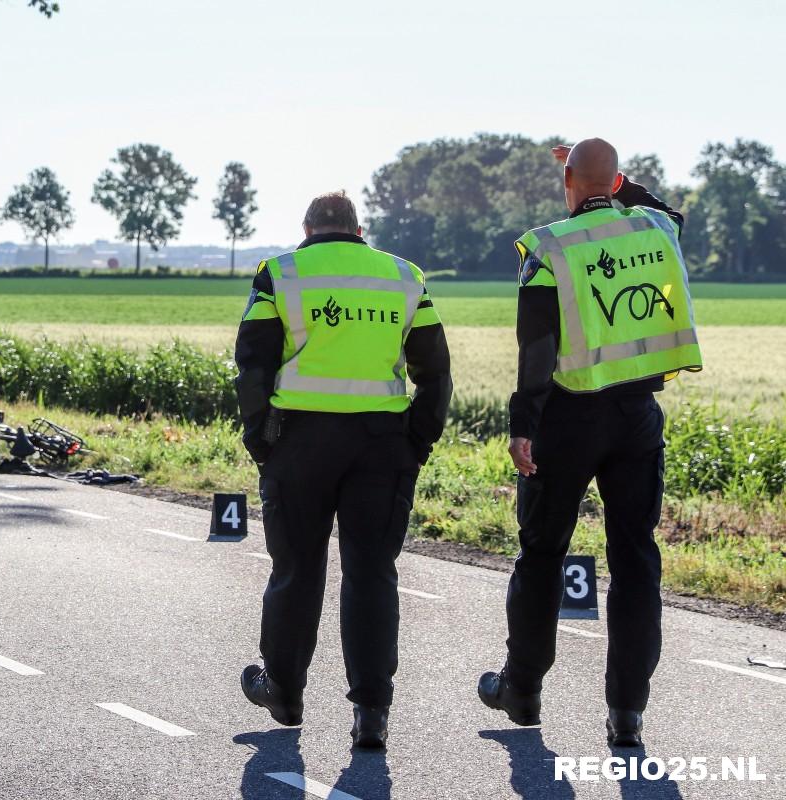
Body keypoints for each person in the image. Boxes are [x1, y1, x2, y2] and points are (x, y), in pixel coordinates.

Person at [477, 139, 702, 747]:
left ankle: (521, 690)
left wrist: (523, 422)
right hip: (637, 416)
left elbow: (537, 345)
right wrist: (619, 186)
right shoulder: (656, 228)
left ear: (567, 180)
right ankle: (627, 711)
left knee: (543, 553)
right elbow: (666, 209)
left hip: (568, 417)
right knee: (635, 561)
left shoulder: (549, 246)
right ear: (621, 181)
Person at [234, 191, 452, 748]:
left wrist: (261, 441)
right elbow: (436, 372)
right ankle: (371, 714)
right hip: (381, 446)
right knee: (372, 574)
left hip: (300, 444)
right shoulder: (405, 277)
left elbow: (252, 363)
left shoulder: (279, 273)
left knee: (296, 570)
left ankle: (282, 691)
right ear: (359, 230)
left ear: (307, 228)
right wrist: (416, 443)